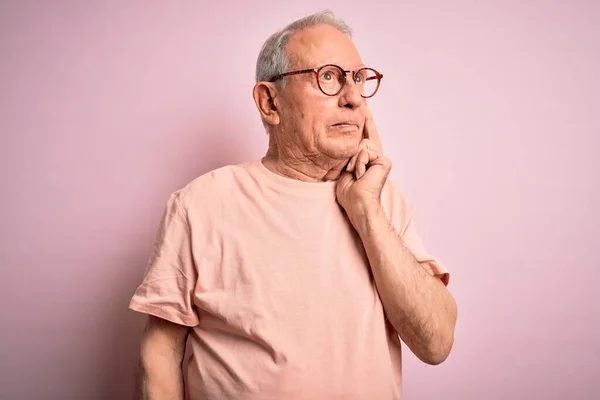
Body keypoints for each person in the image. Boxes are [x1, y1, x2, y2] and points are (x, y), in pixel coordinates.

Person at [129, 10, 457, 400]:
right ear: (270, 102)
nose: (353, 98)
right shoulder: (200, 204)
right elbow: (161, 352)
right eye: (329, 77)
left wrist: (366, 210)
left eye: (358, 79)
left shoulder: (382, 200)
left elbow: (435, 344)